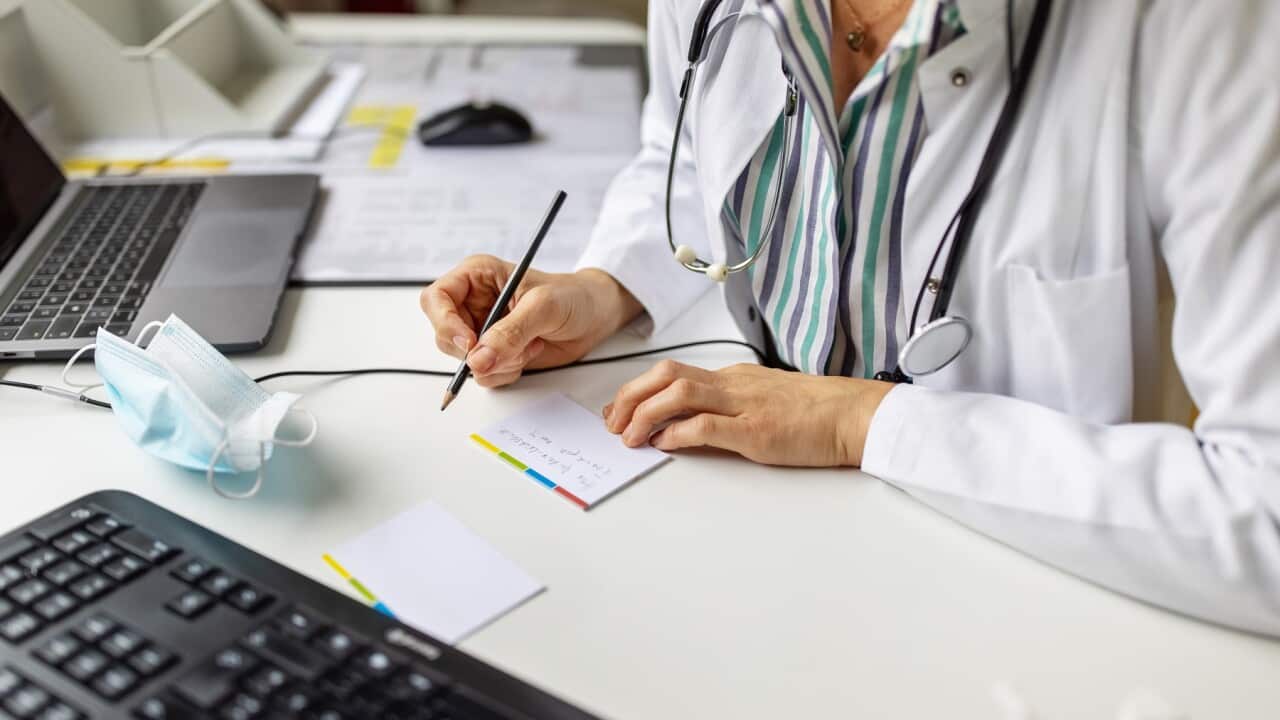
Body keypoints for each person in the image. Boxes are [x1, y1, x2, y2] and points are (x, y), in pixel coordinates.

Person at [421, 0, 1280, 636]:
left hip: (1013, 602)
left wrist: (862, 423)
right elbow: (681, 146)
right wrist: (610, 284)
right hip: (737, 554)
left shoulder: (1208, 26)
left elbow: (1266, 512)